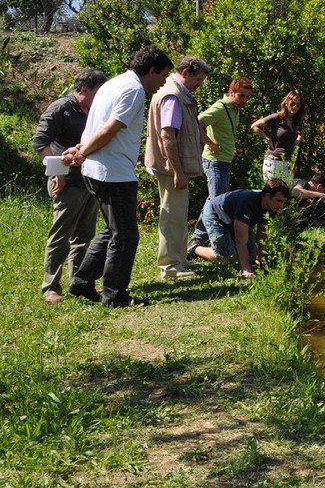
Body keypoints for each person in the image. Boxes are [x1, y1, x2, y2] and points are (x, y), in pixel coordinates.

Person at [62, 44, 173, 308]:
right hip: (113, 173)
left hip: (98, 169)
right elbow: (110, 128)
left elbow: (94, 125)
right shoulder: (133, 89)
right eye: (163, 76)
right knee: (126, 236)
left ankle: (82, 281)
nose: (163, 82)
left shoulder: (112, 84)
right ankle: (114, 294)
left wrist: (81, 150)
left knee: (113, 230)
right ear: (152, 70)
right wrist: (83, 152)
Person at [31, 68, 108, 303]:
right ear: (84, 90)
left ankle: (78, 281)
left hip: (89, 181)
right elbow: (39, 141)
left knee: (84, 236)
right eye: (98, 92)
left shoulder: (95, 110)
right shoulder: (61, 108)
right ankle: (50, 287)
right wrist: (58, 174)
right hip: (67, 183)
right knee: (60, 236)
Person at [144, 56, 211, 280]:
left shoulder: (177, 93)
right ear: (185, 72)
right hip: (171, 169)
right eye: (197, 80)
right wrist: (177, 171)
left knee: (179, 215)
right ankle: (170, 266)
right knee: (172, 216)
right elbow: (167, 137)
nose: (198, 85)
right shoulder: (172, 96)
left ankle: (180, 260)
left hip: (174, 168)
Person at [188, 77, 253, 251]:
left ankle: (199, 238)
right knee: (216, 202)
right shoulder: (219, 108)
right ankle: (200, 239)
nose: (244, 101)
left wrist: (231, 147)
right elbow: (196, 123)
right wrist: (209, 143)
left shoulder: (235, 109)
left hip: (225, 160)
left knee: (214, 200)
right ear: (231, 92)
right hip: (214, 162)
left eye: (247, 97)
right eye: (241, 96)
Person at [190, 180, 290, 278]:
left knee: (251, 256)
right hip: (215, 213)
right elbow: (240, 241)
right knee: (225, 256)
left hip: (235, 219)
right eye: (279, 200)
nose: (281, 206)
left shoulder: (272, 207)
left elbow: (262, 234)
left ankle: (216, 242)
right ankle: (195, 248)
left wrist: (260, 257)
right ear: (267, 195)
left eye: (283, 202)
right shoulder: (248, 202)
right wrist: (247, 270)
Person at [251, 89, 304, 184]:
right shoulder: (276, 118)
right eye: (292, 103)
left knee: (284, 194)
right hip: (273, 161)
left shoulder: (297, 122)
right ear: (286, 103)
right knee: (272, 193)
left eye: (298, 105)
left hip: (287, 163)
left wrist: (297, 142)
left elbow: (300, 134)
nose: (295, 107)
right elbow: (254, 126)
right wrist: (267, 138)